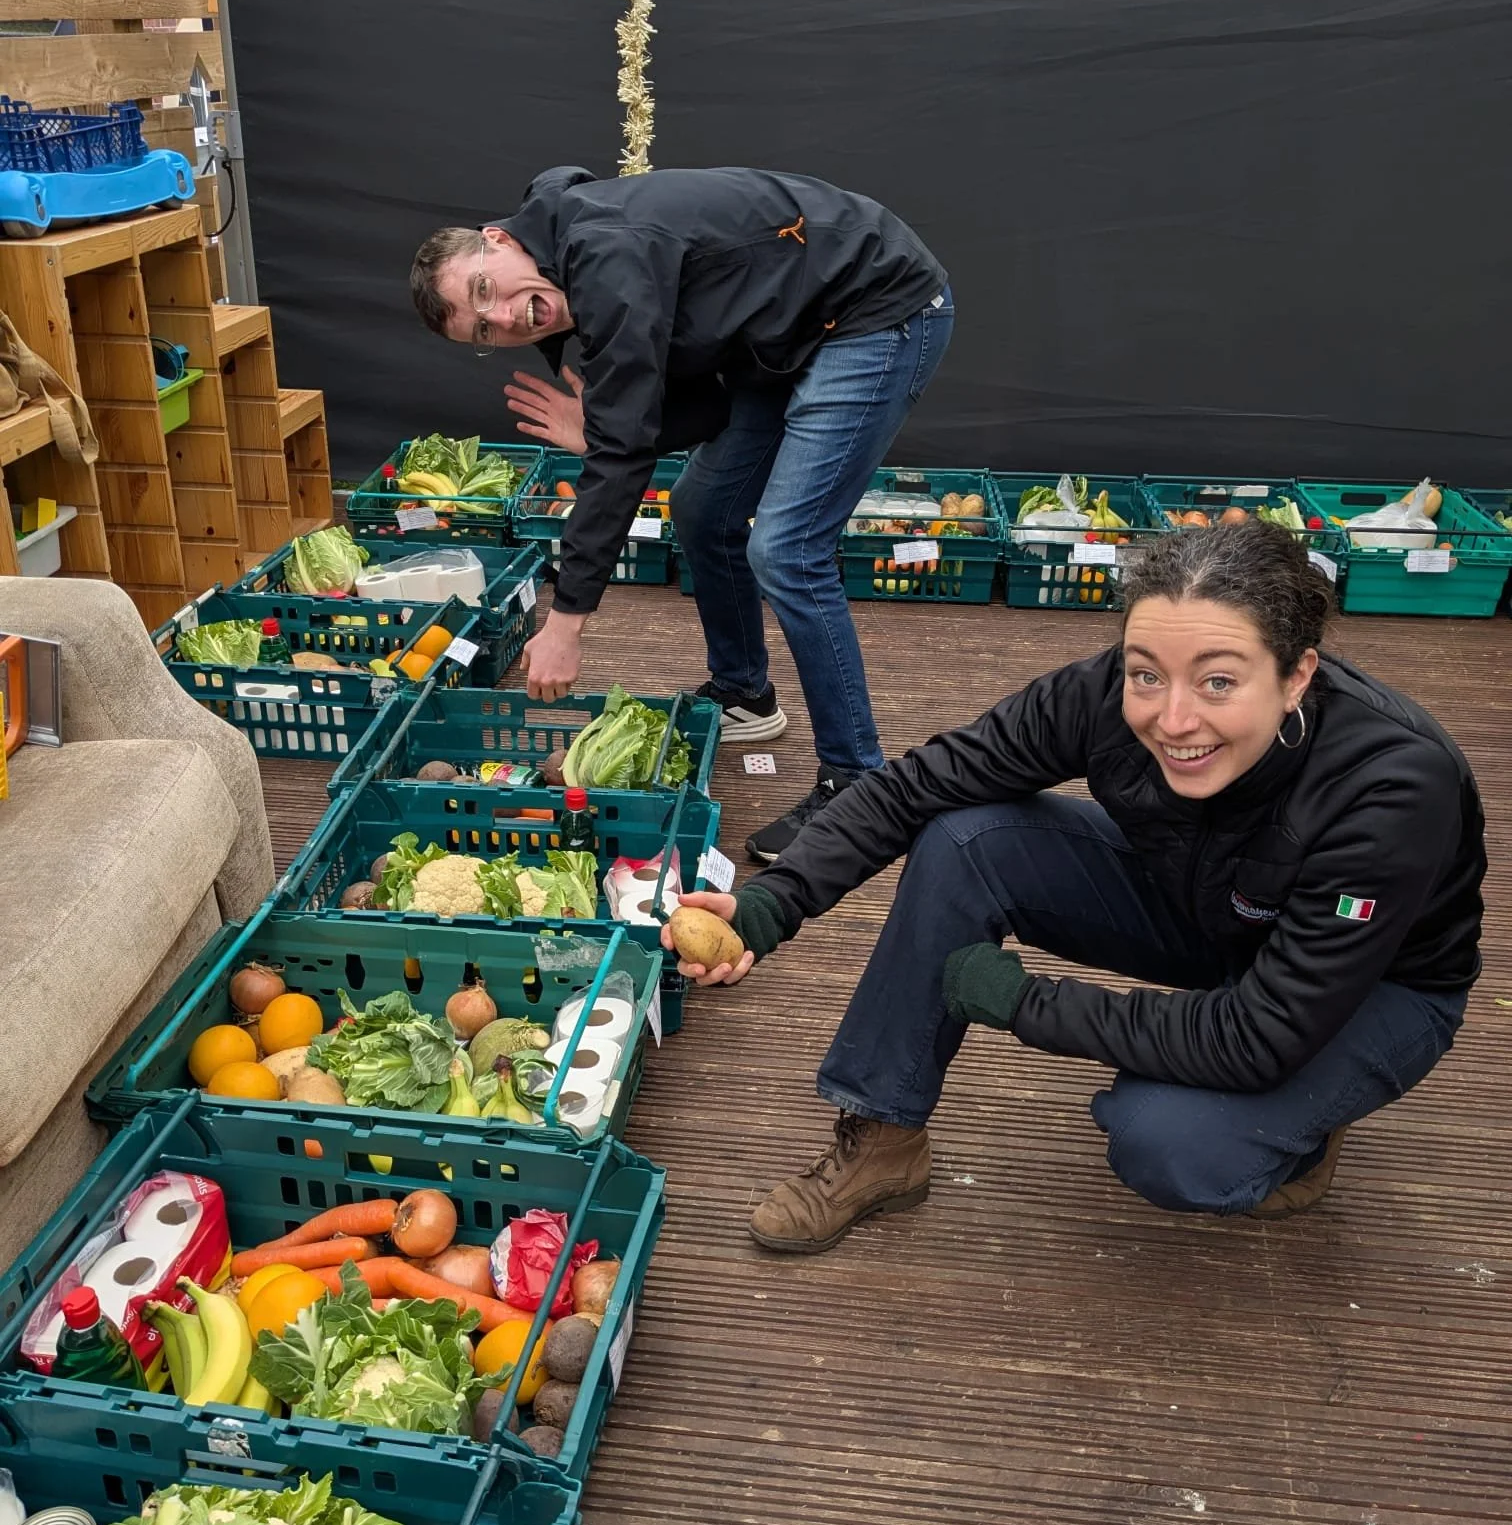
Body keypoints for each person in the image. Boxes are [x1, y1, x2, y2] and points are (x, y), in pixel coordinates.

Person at [663, 521, 1486, 1251]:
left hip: (1373, 986)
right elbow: (922, 784)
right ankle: (884, 1137)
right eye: (1147, 673)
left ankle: (1303, 1135)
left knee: (1170, 1141)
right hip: (1212, 910)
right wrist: (776, 900)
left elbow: (1258, 1036)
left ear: (1299, 675)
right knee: (966, 835)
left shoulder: (1391, 785)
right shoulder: (1104, 694)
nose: (1172, 718)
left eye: (1220, 681)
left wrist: (1024, 1002)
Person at [409, 165, 953, 862]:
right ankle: (745, 694)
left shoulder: (602, 250)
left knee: (786, 549)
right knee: (702, 507)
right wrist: (606, 431)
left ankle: (857, 783)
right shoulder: (576, 272)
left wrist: (566, 620)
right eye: (485, 328)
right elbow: (707, 403)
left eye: (486, 290)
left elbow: (625, 455)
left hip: (878, 312)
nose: (507, 317)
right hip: (786, 343)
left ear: (499, 242)